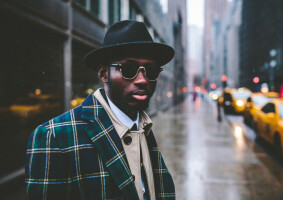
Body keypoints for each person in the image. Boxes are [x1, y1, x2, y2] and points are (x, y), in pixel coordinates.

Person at [25, 20, 175, 200]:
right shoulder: (54, 137)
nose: (143, 80)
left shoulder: (143, 126)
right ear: (104, 74)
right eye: (128, 68)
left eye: (150, 70)